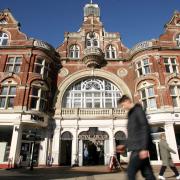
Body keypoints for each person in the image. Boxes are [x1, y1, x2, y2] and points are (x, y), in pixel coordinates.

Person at [117, 95, 156, 180]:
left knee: (130, 173)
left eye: (123, 105)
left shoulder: (138, 110)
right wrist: (124, 145)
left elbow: (145, 128)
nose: (123, 108)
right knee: (147, 173)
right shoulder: (131, 114)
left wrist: (144, 148)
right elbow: (132, 134)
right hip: (136, 148)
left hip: (139, 148)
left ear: (127, 101)